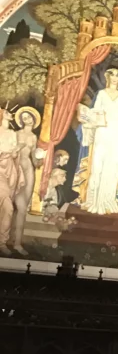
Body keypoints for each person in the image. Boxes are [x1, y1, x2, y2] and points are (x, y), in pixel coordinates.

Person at [78, 67, 118, 215]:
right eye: (111, 74)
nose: (114, 77)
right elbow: (93, 114)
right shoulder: (101, 94)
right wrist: (87, 117)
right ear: (107, 77)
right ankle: (94, 201)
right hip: (103, 132)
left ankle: (108, 200)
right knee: (97, 166)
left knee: (113, 167)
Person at [9, 105, 42, 255]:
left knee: (22, 209)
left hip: (29, 169)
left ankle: (17, 243)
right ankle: (6, 240)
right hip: (16, 168)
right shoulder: (16, 134)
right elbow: (11, 152)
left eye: (29, 117)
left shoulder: (34, 137)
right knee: (10, 206)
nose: (27, 120)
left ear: (34, 119)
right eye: (24, 118)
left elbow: (34, 158)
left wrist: (39, 161)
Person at [0, 108, 21, 256]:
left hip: (9, 169)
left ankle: (2, 242)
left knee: (8, 208)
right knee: (7, 206)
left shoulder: (12, 133)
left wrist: (16, 151)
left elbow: (14, 153)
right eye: (6, 112)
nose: (10, 114)